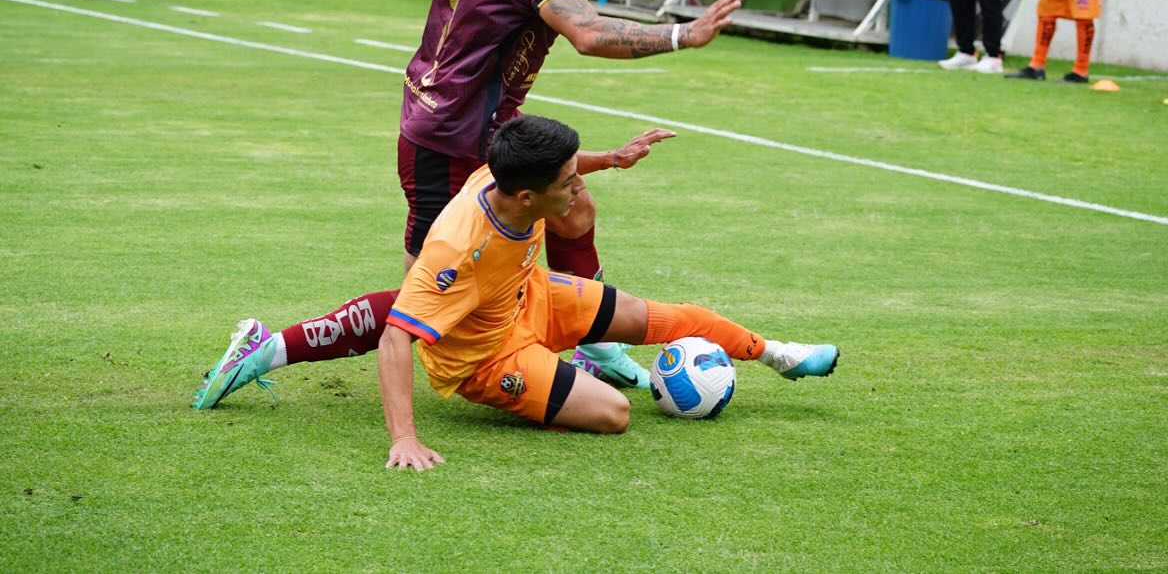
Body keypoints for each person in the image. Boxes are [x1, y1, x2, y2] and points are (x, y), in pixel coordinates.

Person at [191, 115, 840, 474]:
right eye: (567, 179)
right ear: (526, 197)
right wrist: (404, 437)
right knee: (614, 413)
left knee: (669, 316)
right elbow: (394, 337)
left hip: (533, 295)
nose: (574, 186)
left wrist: (610, 159)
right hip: (485, 357)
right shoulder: (456, 252)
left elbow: (560, 173)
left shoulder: (511, 176)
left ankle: (777, 353)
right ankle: (565, 368)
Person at [394, 0, 743, 388]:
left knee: (573, 209)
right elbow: (588, 33)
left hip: (471, 123)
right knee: (428, 288)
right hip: (449, 137)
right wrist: (684, 34)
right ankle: (279, 346)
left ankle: (595, 346)